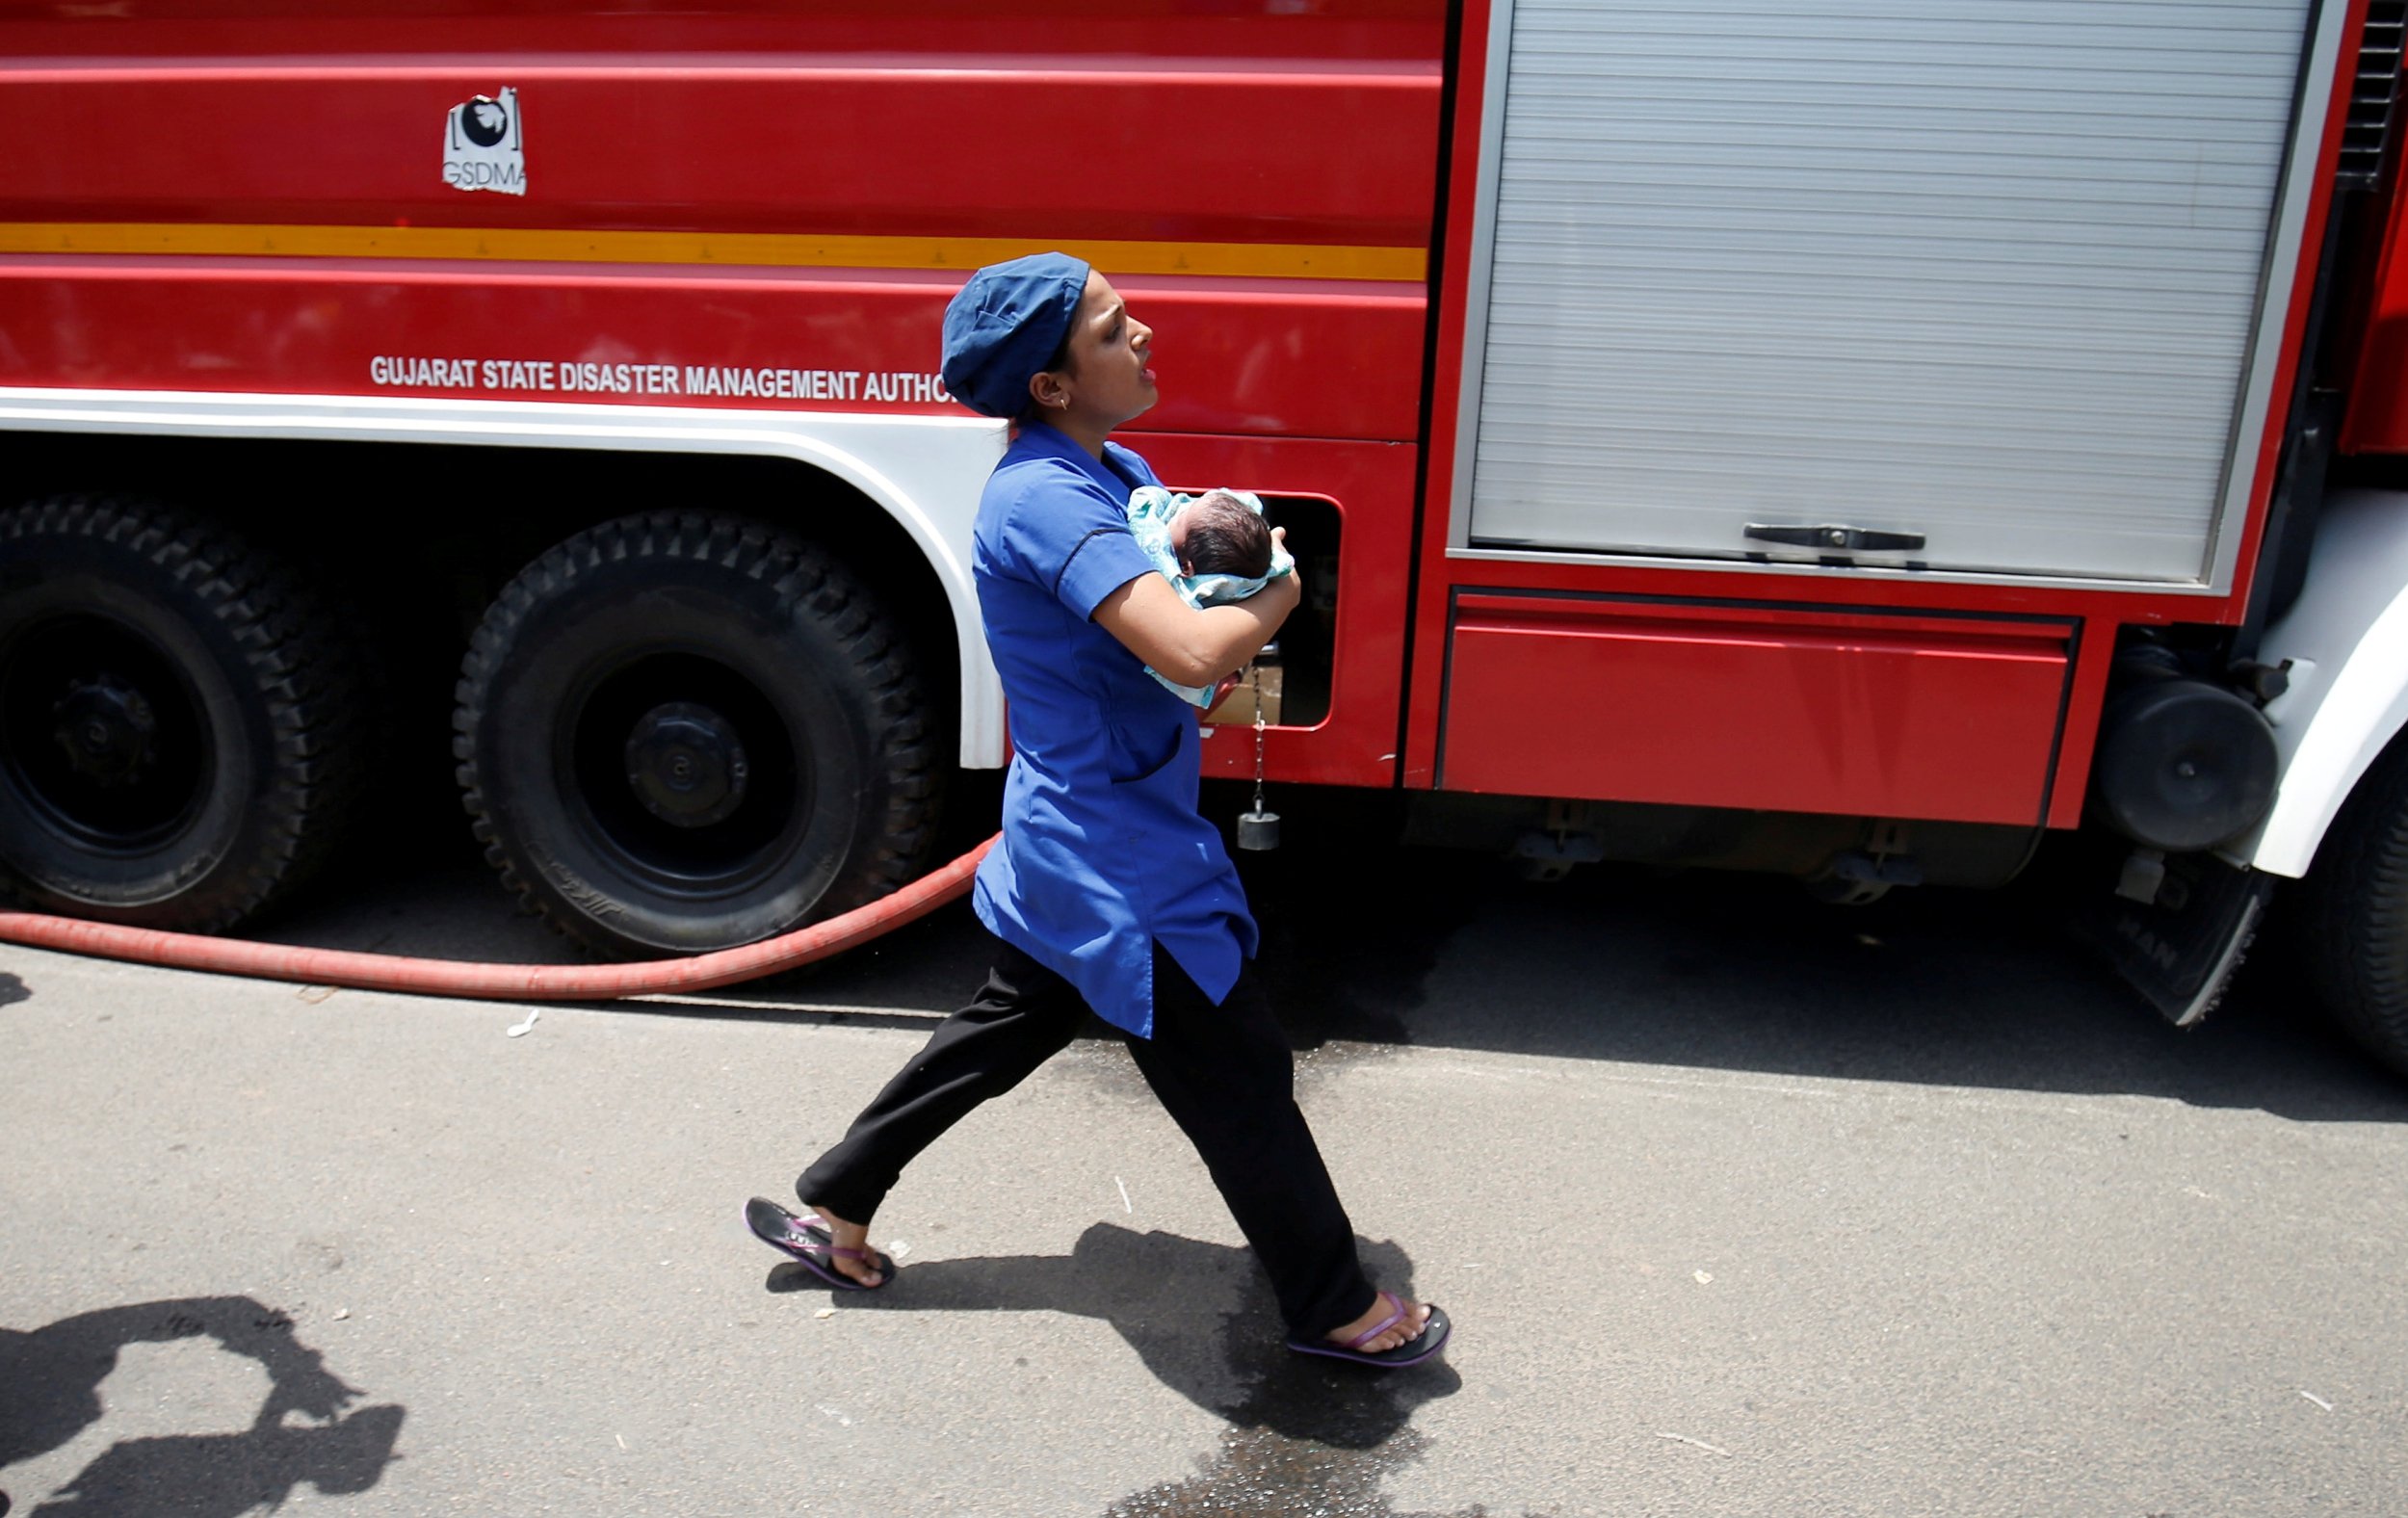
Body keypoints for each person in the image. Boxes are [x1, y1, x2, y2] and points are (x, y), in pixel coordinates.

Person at [744, 251, 1448, 1369]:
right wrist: (1282, 587)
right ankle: (1333, 1305)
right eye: (1116, 331)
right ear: (1050, 386)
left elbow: (1157, 646)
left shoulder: (1104, 464)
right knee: (1242, 1073)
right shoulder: (1039, 498)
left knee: (1006, 1023)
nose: (1145, 337)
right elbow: (1183, 642)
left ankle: (835, 1203)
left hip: (1075, 829)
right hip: (1114, 864)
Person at [1124, 484, 1289, 706]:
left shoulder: (1179, 587)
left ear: (1186, 567)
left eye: (1179, 520)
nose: (1177, 508)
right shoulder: (1260, 578)